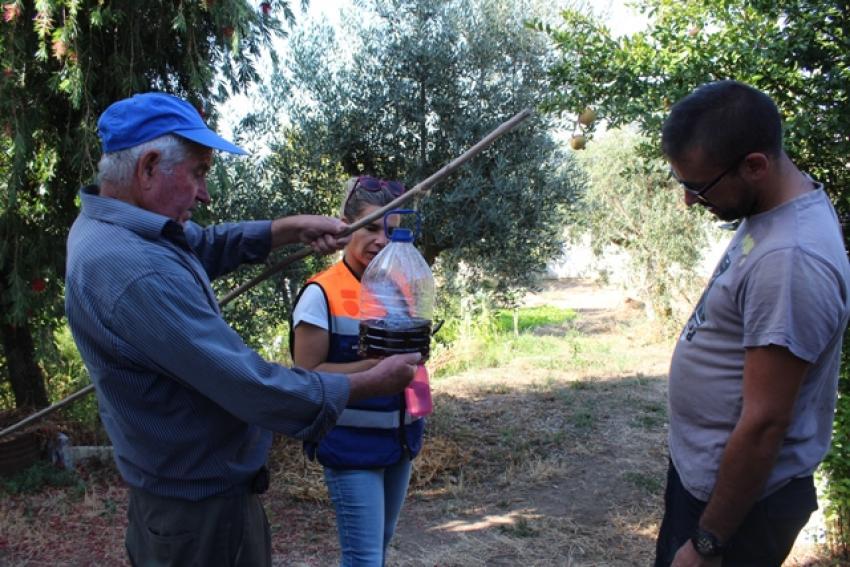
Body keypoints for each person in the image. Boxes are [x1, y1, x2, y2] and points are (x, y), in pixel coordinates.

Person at [64, 92, 420, 567]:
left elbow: (204, 245)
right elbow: (247, 384)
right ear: (148, 167)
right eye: (198, 173)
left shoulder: (122, 227)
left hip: (188, 501)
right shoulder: (133, 270)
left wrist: (286, 229)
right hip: (200, 518)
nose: (205, 193)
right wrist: (367, 383)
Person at [655, 80, 850, 566]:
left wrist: (707, 543)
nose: (690, 201)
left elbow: (765, 424)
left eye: (698, 187)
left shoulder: (792, 259)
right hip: (711, 485)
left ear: (755, 165)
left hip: (736, 512)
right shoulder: (770, 210)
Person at [290, 176, 425, 567]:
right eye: (370, 227)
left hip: (399, 442)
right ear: (345, 225)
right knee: (364, 559)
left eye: (392, 231)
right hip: (350, 447)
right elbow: (306, 377)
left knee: (379, 549)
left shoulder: (399, 286)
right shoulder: (321, 293)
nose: (382, 241)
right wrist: (376, 366)